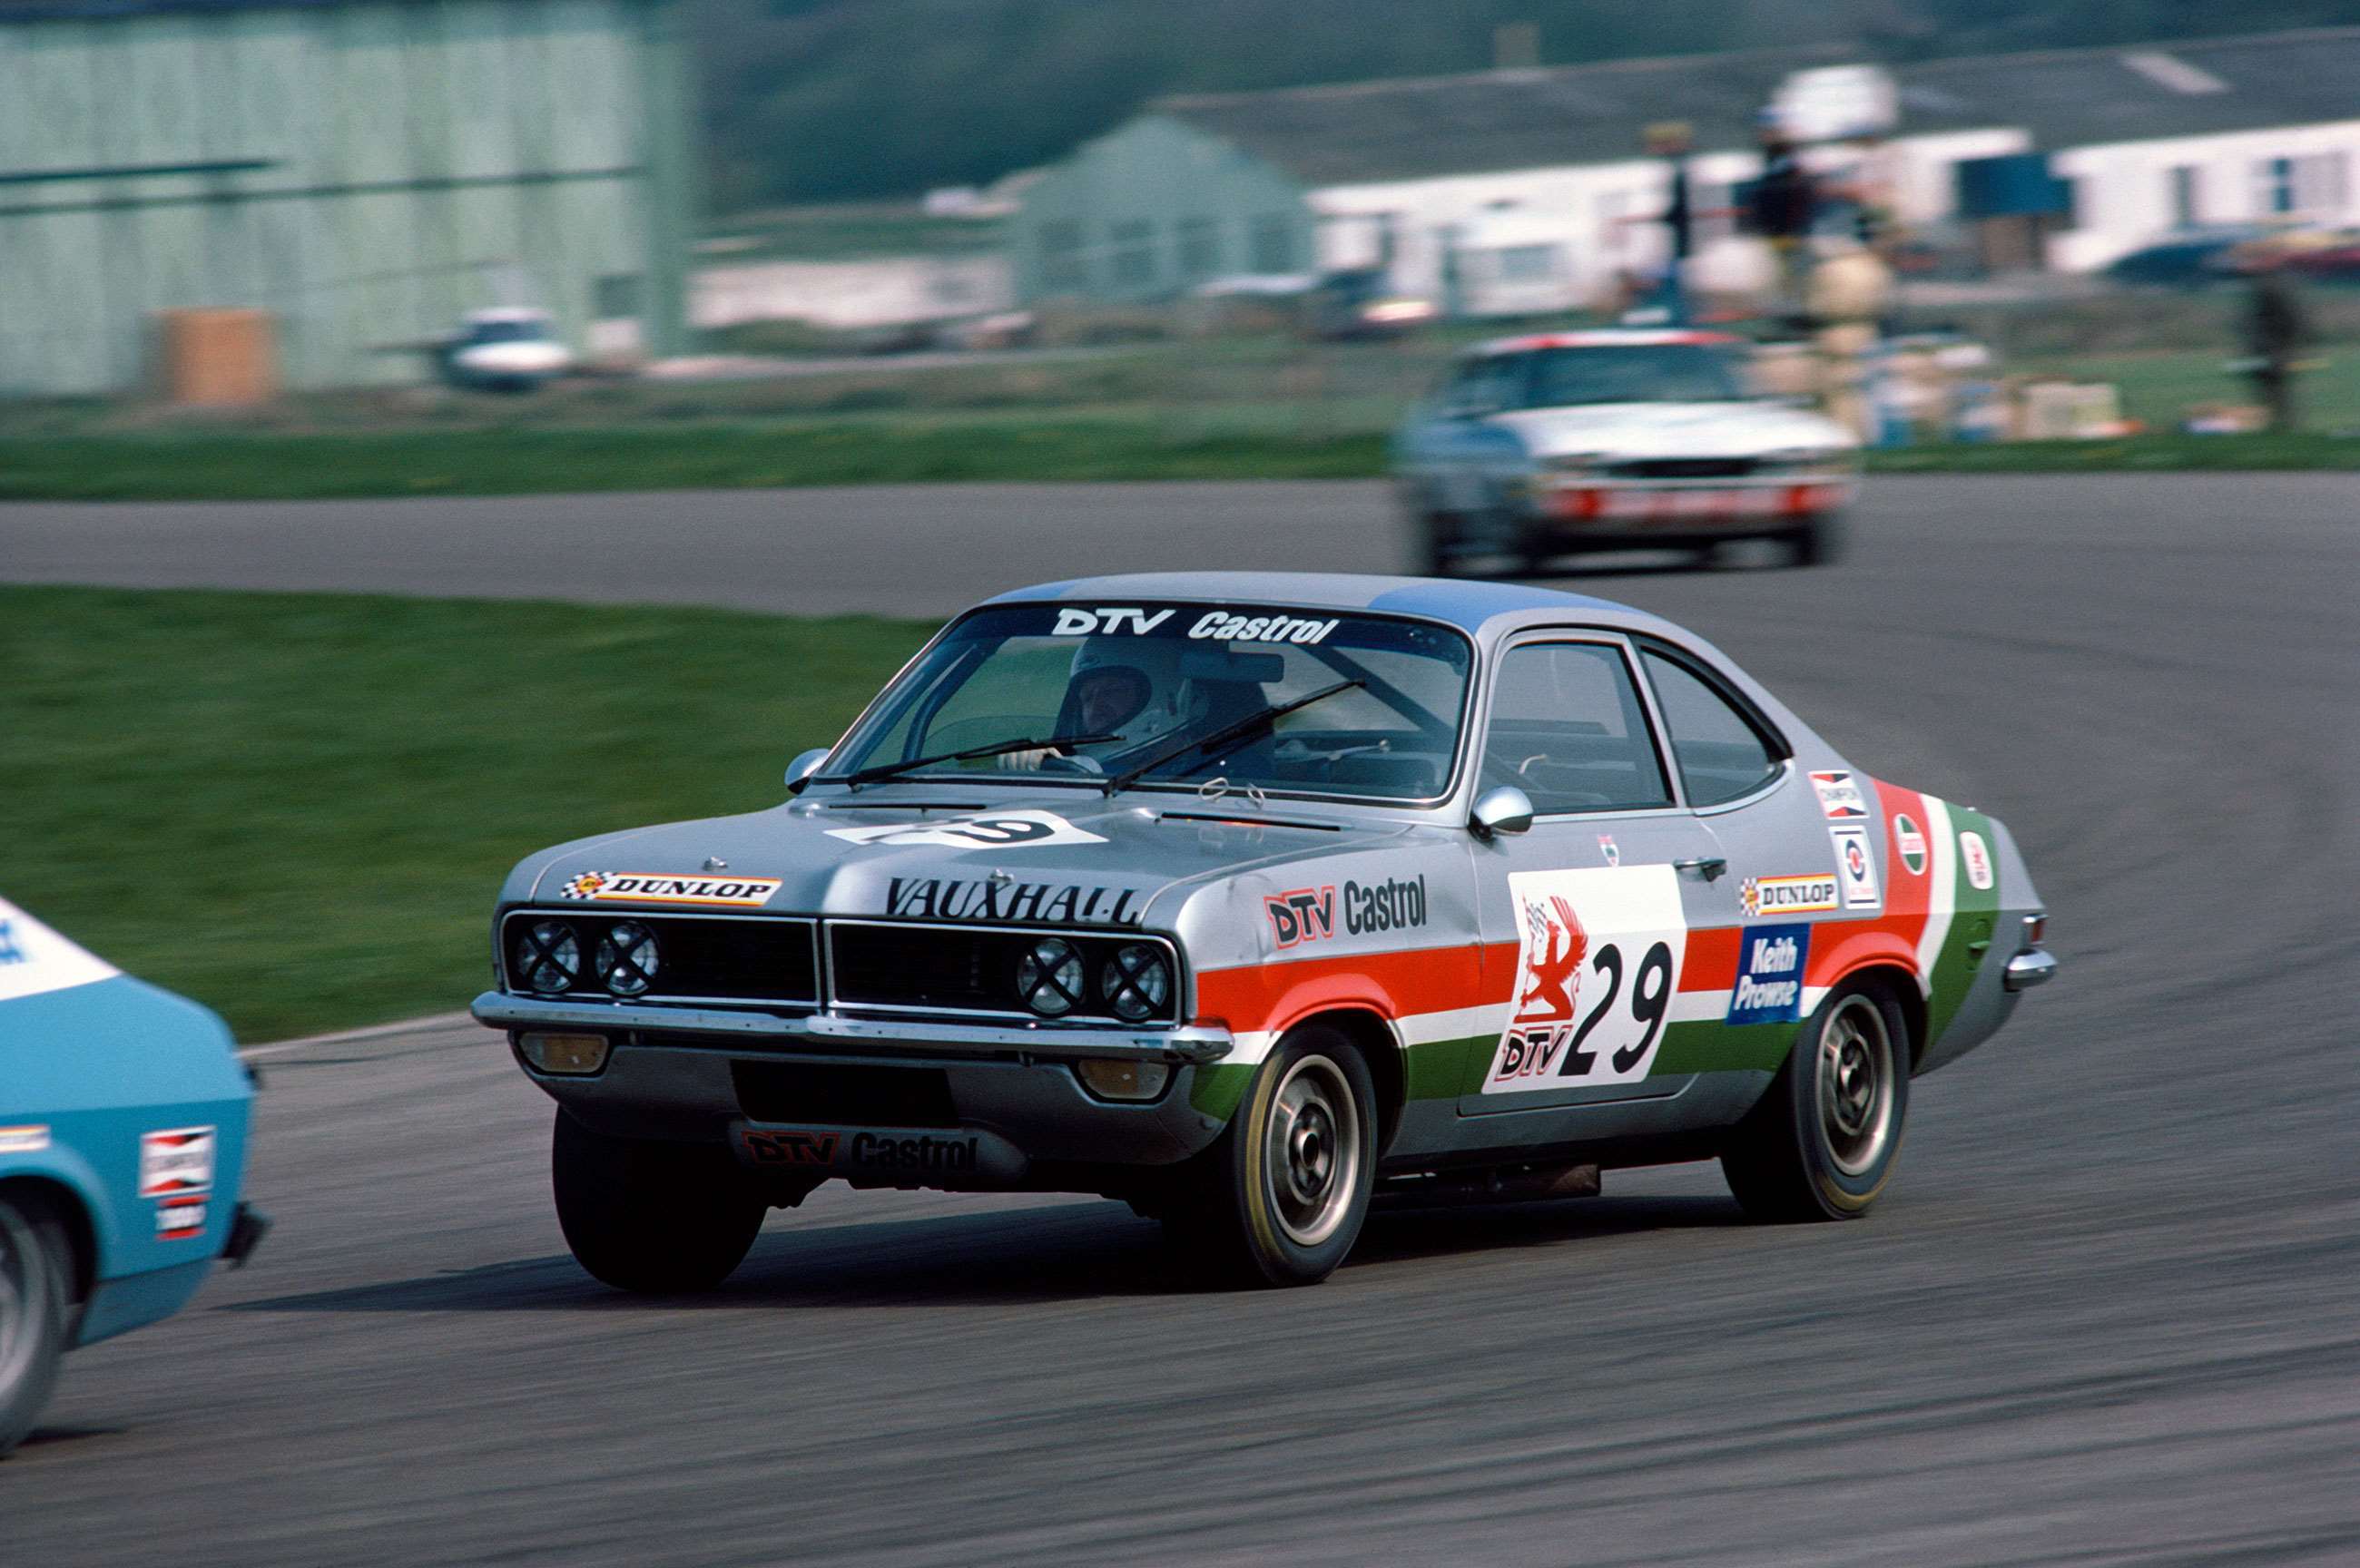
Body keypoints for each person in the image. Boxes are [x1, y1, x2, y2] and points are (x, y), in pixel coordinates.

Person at [1748, 110, 1816, 315]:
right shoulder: (1772, 159)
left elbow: (1794, 194)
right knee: (1782, 272)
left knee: (1792, 271)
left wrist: (1793, 226)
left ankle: (1798, 310)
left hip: (1788, 228)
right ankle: (1791, 308)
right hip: (1777, 228)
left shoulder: (1786, 161)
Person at [2242, 260, 2309, 433]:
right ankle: (2278, 423)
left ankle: (2281, 424)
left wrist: (2280, 346)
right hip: (2269, 349)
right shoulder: (2273, 290)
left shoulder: (2269, 291)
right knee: (2271, 389)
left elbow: (2288, 322)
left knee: (2274, 389)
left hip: (2273, 349)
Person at [1644, 122, 1696, 325]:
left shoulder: (1681, 169)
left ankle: (1680, 317)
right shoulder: (1677, 168)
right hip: (1678, 241)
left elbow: (1683, 206)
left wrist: (1666, 217)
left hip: (1682, 240)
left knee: (1676, 280)